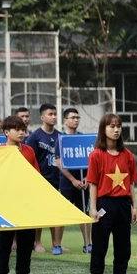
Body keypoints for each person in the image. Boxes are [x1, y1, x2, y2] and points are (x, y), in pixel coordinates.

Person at [86, 113, 137, 274]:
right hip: (104, 205)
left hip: (123, 205)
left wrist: (134, 206)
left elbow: (131, 183)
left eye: (118, 126)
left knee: (123, 248)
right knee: (100, 247)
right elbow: (92, 183)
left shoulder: (128, 156)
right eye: (111, 126)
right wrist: (93, 208)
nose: (116, 130)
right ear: (103, 129)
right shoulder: (96, 155)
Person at [0, 116, 41, 274]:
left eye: (23, 129)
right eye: (17, 129)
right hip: (6, 205)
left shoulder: (29, 151)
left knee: (26, 243)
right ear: (6, 132)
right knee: (4, 243)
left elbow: (36, 176)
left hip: (26, 204)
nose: (22, 132)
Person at [26, 103, 63, 254]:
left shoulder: (60, 136)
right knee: (40, 213)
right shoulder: (35, 136)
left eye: (55, 114)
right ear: (42, 117)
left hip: (57, 179)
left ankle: (56, 243)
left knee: (56, 213)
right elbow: (30, 158)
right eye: (50, 114)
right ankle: (37, 242)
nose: (53, 116)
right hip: (41, 180)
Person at [57, 107, 92, 253]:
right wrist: (72, 180)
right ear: (65, 120)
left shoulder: (83, 138)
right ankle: (57, 245)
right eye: (72, 117)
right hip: (66, 183)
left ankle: (88, 244)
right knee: (62, 214)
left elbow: (92, 161)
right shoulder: (61, 139)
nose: (76, 120)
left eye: (78, 117)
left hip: (84, 184)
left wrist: (87, 178)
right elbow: (58, 162)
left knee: (85, 213)